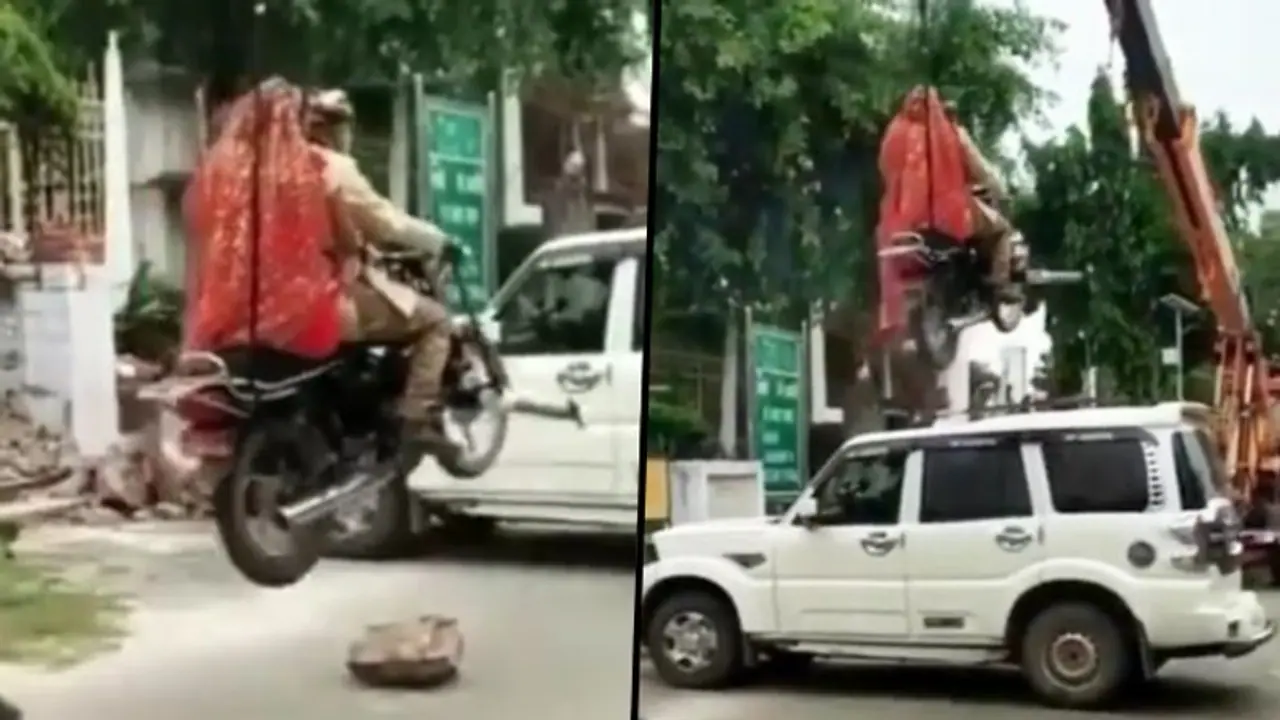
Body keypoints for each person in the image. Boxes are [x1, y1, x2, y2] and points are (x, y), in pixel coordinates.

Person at [304, 89, 460, 464]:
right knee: (436, 321)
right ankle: (415, 418)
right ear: (333, 130)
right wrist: (439, 240)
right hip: (327, 299)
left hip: (274, 304)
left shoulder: (272, 170)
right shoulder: (333, 168)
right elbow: (386, 223)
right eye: (345, 126)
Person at [183, 78, 345, 361]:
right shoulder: (306, 172)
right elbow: (334, 239)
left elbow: (197, 246)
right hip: (293, 327)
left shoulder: (213, 168)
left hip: (219, 322)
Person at [875, 86, 1019, 337]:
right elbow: (981, 169)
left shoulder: (895, 134)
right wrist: (999, 189)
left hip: (903, 219)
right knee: (1001, 230)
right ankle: (999, 286)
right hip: (949, 213)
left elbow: (885, 170)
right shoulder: (949, 134)